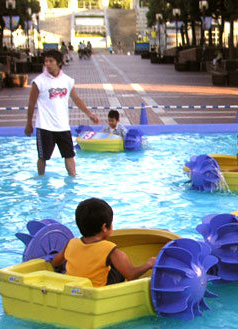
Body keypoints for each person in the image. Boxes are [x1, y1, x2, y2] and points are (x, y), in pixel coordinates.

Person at [25, 49, 99, 177]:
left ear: (59, 63)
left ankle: (73, 178)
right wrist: (29, 124)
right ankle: (41, 178)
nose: (47, 64)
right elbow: (31, 103)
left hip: (63, 126)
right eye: (46, 61)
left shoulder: (67, 80)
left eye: (51, 61)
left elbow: (76, 99)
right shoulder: (39, 82)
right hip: (45, 126)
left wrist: (89, 114)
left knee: (69, 155)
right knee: (43, 157)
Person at [52, 198, 156, 287]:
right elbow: (131, 276)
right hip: (98, 293)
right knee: (119, 258)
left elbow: (55, 262)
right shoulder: (109, 248)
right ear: (104, 227)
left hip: (73, 290)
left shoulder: (71, 243)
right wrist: (148, 264)